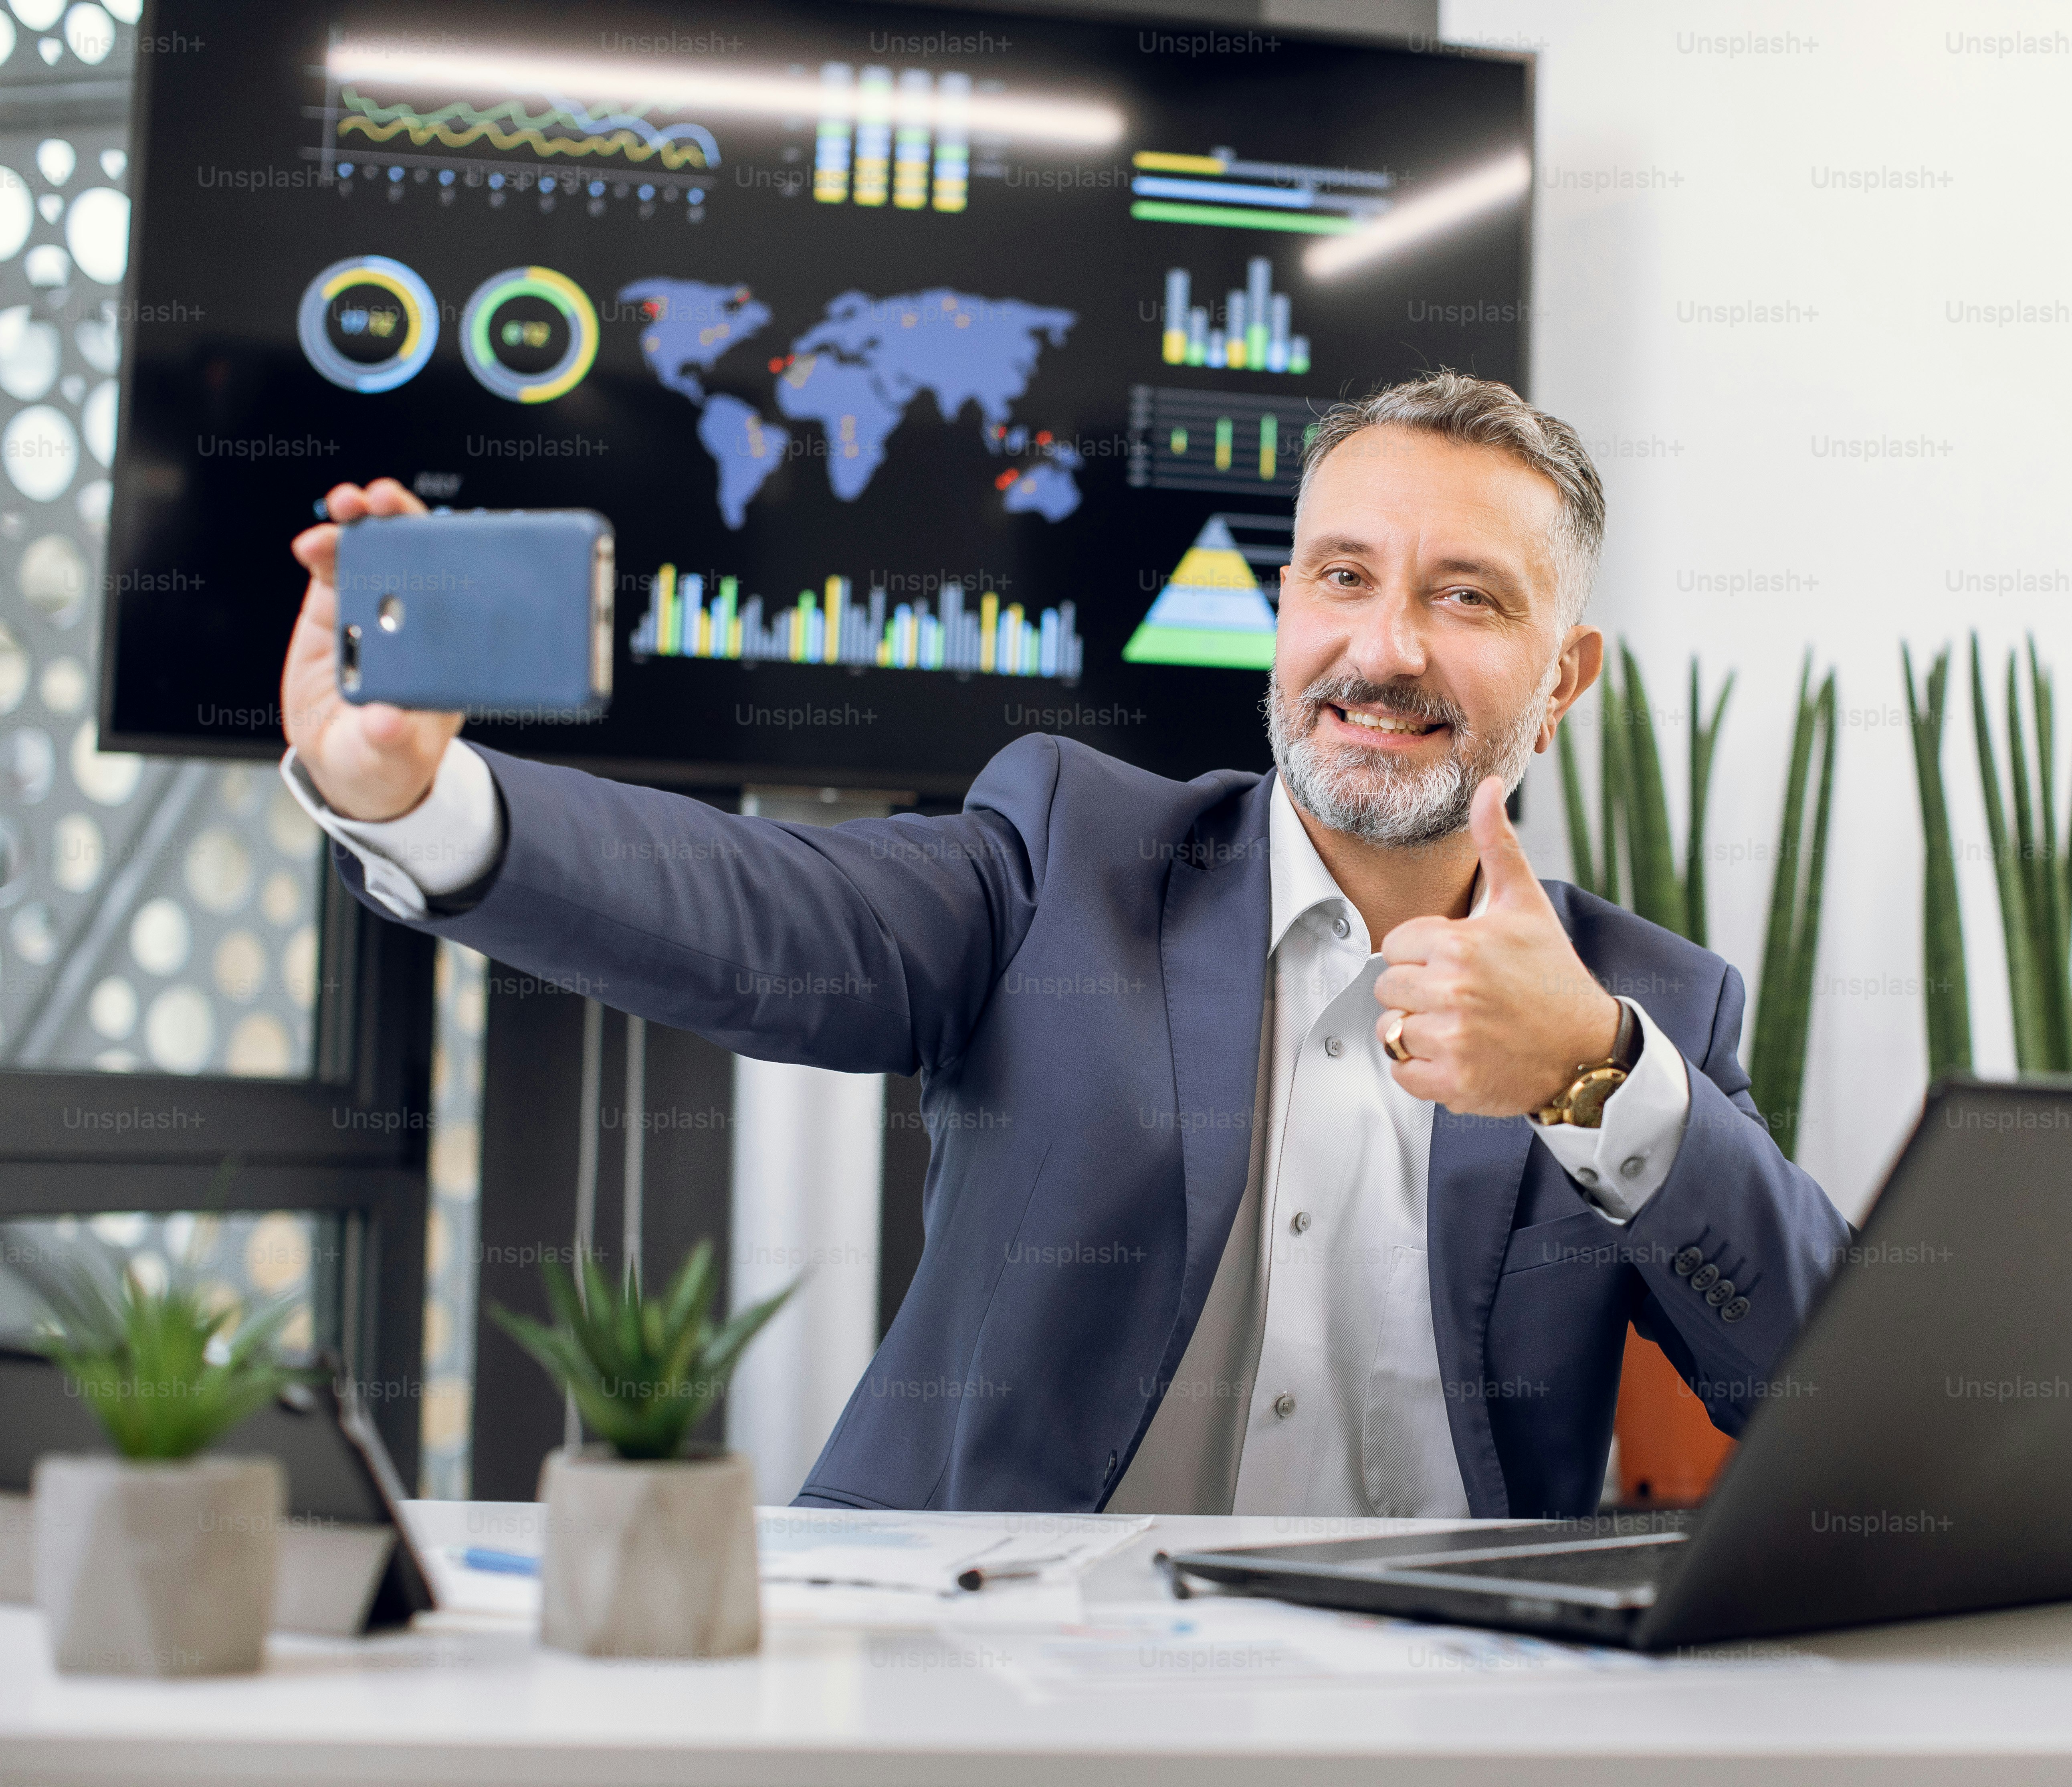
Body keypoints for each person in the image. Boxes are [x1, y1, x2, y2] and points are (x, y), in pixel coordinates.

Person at [278, 370, 1851, 1518]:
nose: (1384, 649)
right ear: (1284, 601)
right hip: (995, 1708)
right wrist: (419, 798)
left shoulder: (1641, 1009)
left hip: (1430, 1729)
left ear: (1564, 673)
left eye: (1467, 598)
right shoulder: (1063, 857)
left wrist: (1594, 1079)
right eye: (1344, 577)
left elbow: (1831, 1401)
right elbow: (753, 913)